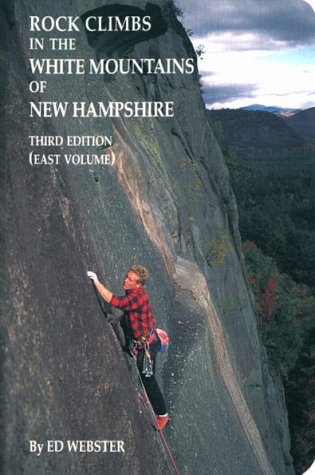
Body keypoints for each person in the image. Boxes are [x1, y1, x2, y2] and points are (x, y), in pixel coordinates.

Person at [87, 265, 169, 431]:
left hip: (147, 345)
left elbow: (116, 302)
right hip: (140, 339)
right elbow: (129, 313)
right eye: (127, 276)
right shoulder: (133, 292)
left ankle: (163, 415)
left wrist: (96, 282)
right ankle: (150, 397)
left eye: (130, 280)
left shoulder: (138, 297)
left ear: (139, 285)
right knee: (144, 371)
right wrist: (116, 320)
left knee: (148, 378)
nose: (125, 280)